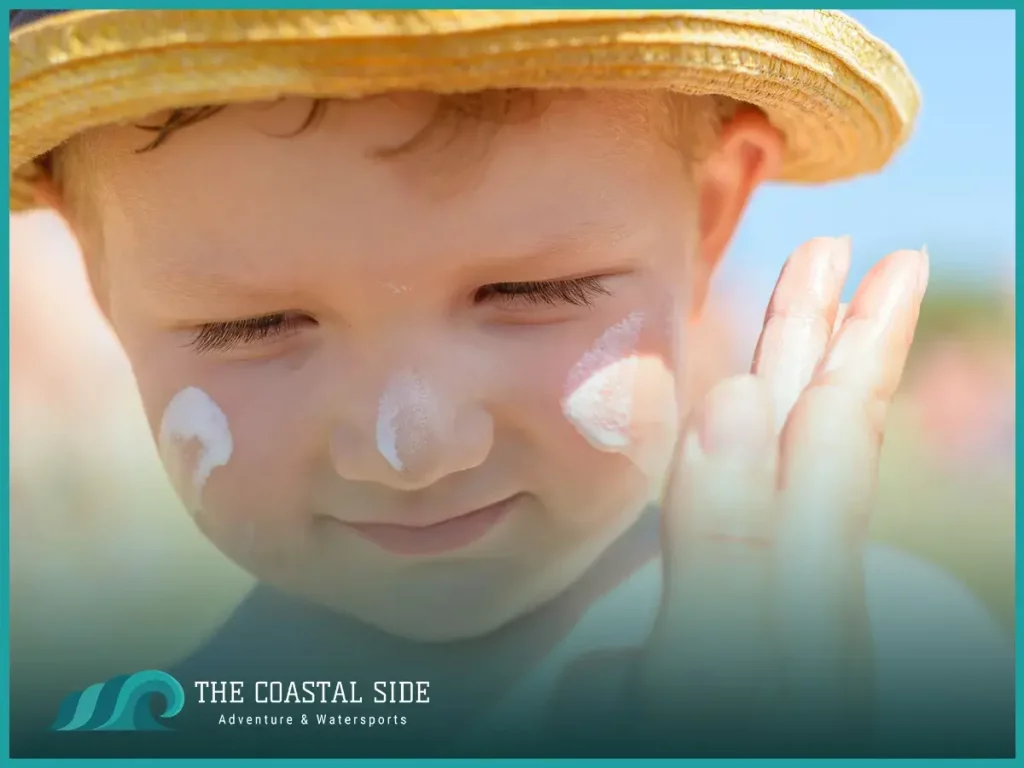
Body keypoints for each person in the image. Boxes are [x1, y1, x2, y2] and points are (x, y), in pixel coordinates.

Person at [9, 9, 1013, 758]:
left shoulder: (898, 667)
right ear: (99, 276)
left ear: (708, 216)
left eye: (533, 290)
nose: (412, 447)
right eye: (251, 324)